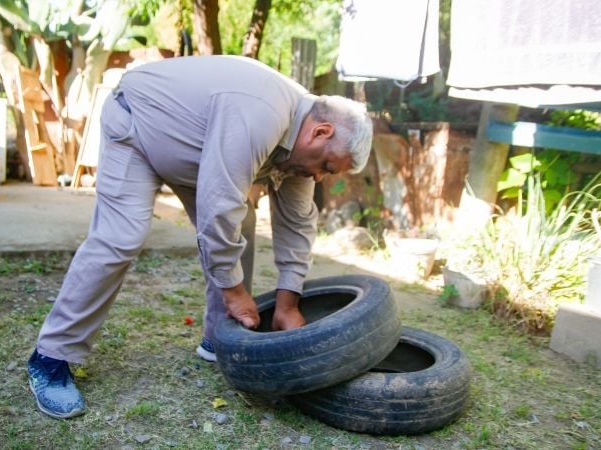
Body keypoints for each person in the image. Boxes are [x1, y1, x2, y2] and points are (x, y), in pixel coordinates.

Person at [27, 55, 373, 419]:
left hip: (197, 150)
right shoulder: (261, 113)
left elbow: (298, 225)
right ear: (320, 133)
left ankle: (218, 339)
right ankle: (51, 357)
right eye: (326, 167)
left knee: (238, 224)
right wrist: (235, 292)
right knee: (120, 238)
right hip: (138, 127)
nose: (320, 177)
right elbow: (218, 204)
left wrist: (288, 303)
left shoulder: (304, 144)